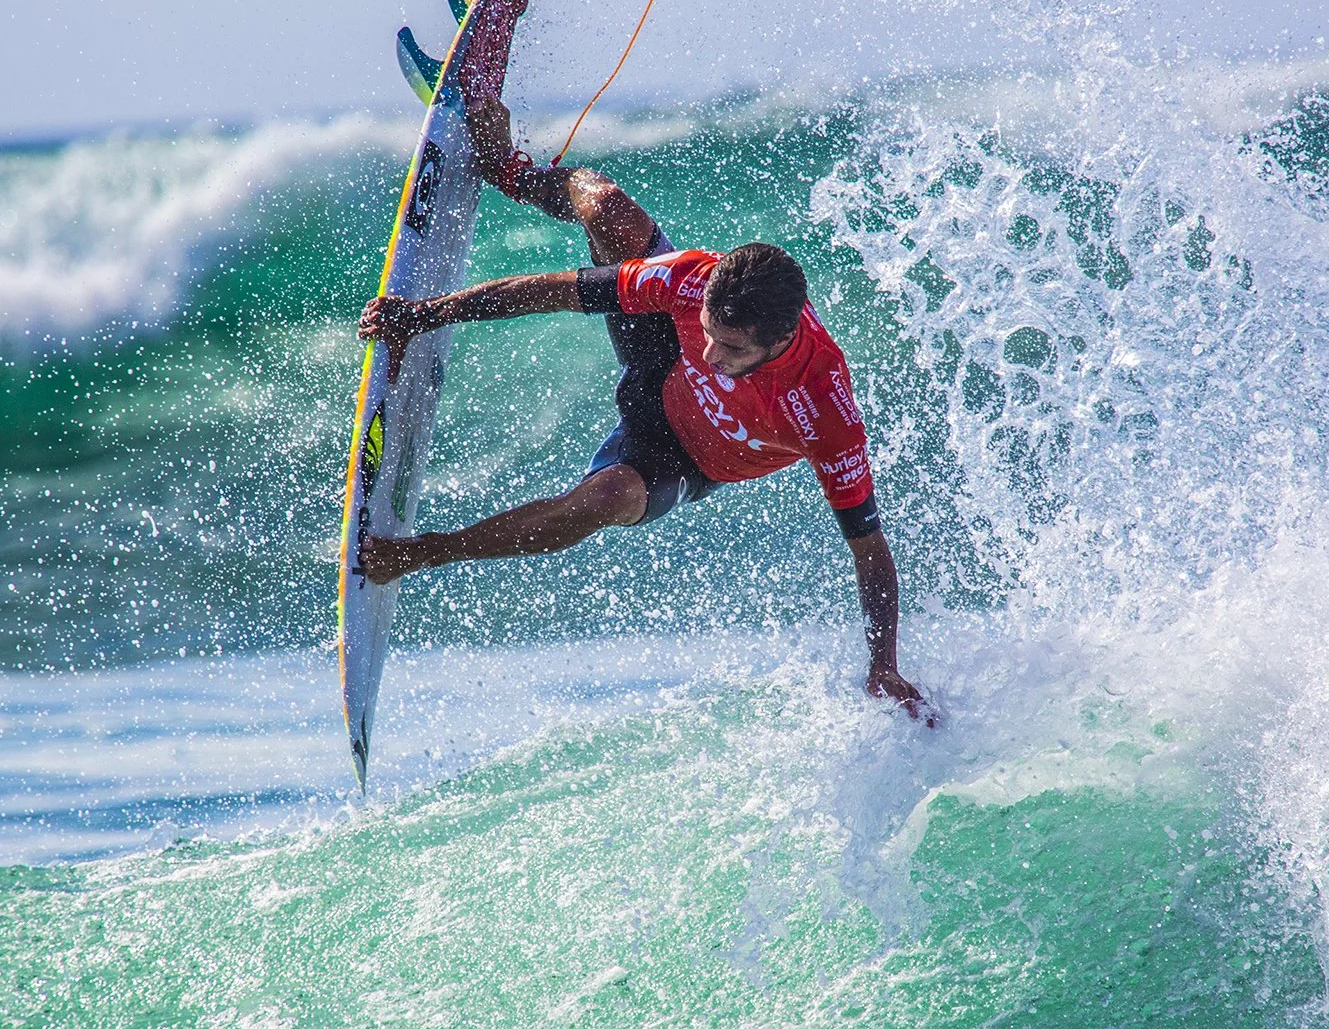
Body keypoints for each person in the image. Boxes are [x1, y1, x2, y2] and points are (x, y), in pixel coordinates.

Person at [356, 87, 931, 721]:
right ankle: (510, 170)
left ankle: (424, 551)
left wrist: (883, 665)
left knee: (608, 500)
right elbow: (560, 291)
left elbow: (870, 548)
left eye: (731, 348)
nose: (710, 355)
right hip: (657, 367)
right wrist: (425, 315)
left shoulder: (824, 409)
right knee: (607, 210)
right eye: (709, 331)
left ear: (780, 339)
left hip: (683, 457)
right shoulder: (696, 280)